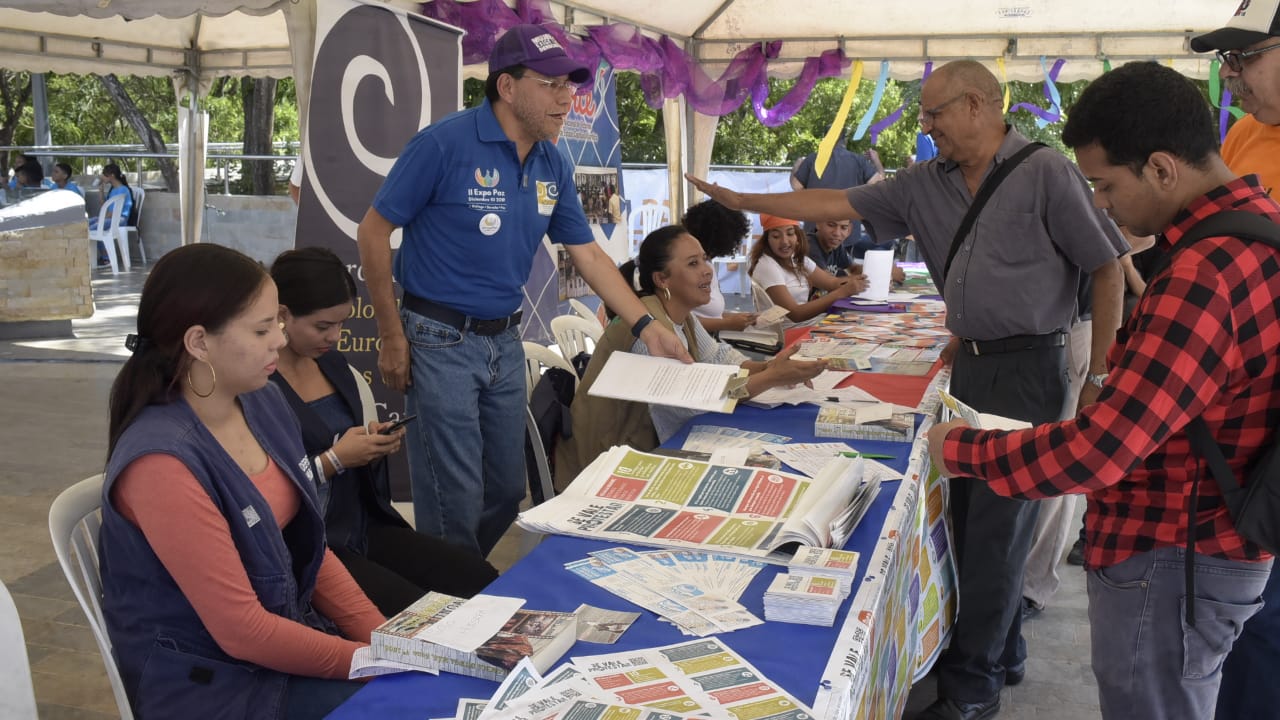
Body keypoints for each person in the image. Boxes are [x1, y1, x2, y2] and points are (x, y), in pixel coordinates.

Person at [688, 59, 1126, 720]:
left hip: (1031, 368)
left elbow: (1107, 269)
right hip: (970, 364)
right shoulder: (925, 183)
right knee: (968, 520)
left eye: (935, 113)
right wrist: (747, 203)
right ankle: (1000, 651)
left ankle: (972, 688)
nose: (925, 127)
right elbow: (831, 203)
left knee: (1000, 529)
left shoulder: (1045, 171)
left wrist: (1098, 377)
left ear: (978, 105)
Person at [926, 60, 1280, 720]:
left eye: (1104, 183)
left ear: (1162, 168)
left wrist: (963, 451)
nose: (1100, 204)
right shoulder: (1261, 227)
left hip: (1172, 556)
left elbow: (1102, 452)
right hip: (1214, 543)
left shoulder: (1204, 273)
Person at [356, 24, 689, 557]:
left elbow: (590, 256)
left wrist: (648, 328)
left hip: (504, 340)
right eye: (551, 85)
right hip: (439, 336)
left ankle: (456, 576)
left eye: (570, 86)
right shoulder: (444, 144)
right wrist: (390, 333)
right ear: (506, 88)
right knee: (454, 498)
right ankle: (448, 605)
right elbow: (372, 231)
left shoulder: (552, 160)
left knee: (510, 490)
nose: (566, 99)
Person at [99, 244, 386, 718]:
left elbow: (310, 548)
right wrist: (375, 662)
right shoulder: (160, 464)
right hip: (211, 685)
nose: (278, 339)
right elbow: (243, 630)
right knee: (401, 703)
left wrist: (386, 639)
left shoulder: (263, 402)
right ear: (198, 342)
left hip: (272, 653)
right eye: (262, 328)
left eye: (278, 321)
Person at [269, 247, 498, 616]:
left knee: (479, 578)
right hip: (311, 544)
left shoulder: (332, 365)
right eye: (322, 326)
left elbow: (343, 442)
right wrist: (333, 461)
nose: (335, 336)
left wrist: (369, 442)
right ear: (283, 315)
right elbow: (254, 491)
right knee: (417, 613)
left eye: (342, 324)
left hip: (361, 526)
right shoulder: (259, 386)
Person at [555, 225, 827, 485]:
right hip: (609, 461)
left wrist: (769, 366)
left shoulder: (681, 316)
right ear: (662, 279)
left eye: (705, 260)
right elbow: (694, 400)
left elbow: (720, 359)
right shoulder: (647, 332)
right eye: (693, 264)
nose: (707, 271)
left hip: (641, 443)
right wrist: (770, 377)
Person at [1191, 6, 1280, 717]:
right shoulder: (1247, 135)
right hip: (1233, 425)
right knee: (1239, 622)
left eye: (1245, 58)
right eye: (1225, 60)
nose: (1231, 75)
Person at [749, 213, 864, 325]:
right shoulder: (767, 266)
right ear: (767, 240)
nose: (784, 241)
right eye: (776, 236)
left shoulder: (797, 258)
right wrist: (842, 292)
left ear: (797, 236)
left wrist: (862, 279)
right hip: (785, 334)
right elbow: (795, 314)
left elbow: (832, 282)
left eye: (790, 234)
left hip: (806, 324)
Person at [681, 199, 757, 333]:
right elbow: (682, 322)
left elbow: (712, 314)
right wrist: (728, 323)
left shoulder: (707, 264)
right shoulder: (687, 270)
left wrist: (739, 318)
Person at [790, 133, 883, 242]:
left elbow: (796, 186)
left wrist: (796, 166)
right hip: (847, 231)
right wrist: (876, 160)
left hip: (816, 231)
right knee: (844, 257)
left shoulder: (812, 159)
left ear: (825, 139)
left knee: (815, 258)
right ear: (845, 141)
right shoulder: (858, 160)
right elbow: (879, 184)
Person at [805, 218, 903, 285]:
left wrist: (883, 271)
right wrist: (884, 275)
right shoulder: (810, 245)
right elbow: (830, 282)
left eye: (844, 227)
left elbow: (854, 269)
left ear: (849, 230)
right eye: (831, 225)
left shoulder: (836, 245)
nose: (837, 233)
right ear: (818, 223)